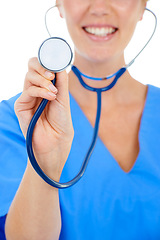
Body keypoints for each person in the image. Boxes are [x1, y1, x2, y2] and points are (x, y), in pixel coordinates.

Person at [1, 0, 160, 239]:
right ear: (59, 4)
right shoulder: (18, 118)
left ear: (142, 6)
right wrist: (45, 160)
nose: (99, 7)